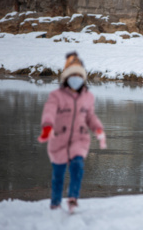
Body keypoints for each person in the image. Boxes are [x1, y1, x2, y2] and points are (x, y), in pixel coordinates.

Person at [38, 52, 107, 212]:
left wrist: (98, 129)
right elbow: (49, 111)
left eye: (79, 75)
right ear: (66, 78)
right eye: (72, 75)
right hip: (59, 140)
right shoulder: (56, 96)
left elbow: (90, 116)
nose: (76, 78)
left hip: (79, 139)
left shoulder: (88, 97)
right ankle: (55, 203)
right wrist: (47, 126)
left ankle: (73, 198)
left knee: (77, 166)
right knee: (58, 176)